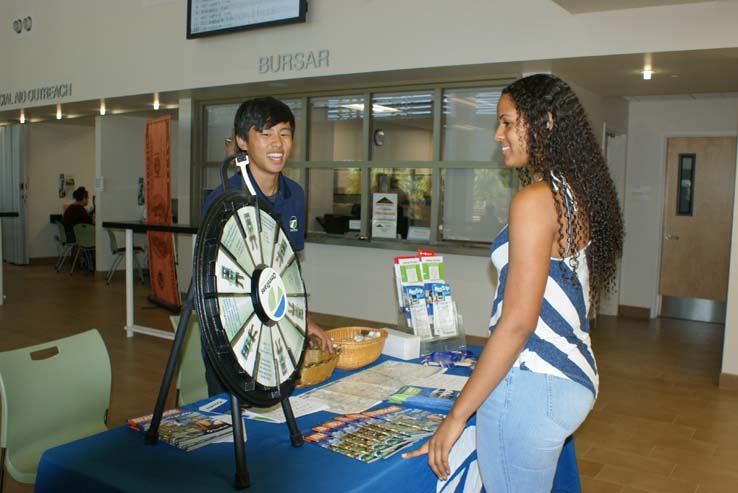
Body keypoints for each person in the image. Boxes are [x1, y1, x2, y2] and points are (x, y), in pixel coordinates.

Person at [403, 74, 624, 492]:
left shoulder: (535, 200)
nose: (497, 134)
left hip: (531, 385)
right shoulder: (572, 192)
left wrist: (455, 417)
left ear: (546, 123)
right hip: (572, 375)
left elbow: (518, 323)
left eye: (507, 123)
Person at [201, 96, 333, 396]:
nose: (277, 144)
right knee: (232, 424)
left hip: (277, 329)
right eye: (266, 134)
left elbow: (285, 270)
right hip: (235, 333)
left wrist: (304, 321)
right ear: (242, 141)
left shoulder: (294, 195)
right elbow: (219, 281)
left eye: (284, 134)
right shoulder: (223, 198)